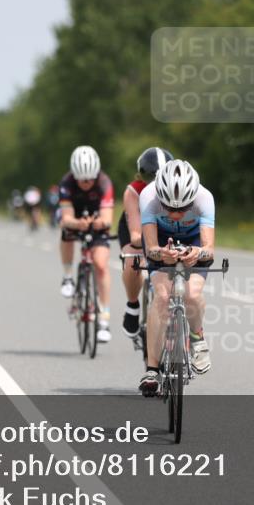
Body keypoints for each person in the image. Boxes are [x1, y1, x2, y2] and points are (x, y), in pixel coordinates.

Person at [138, 159, 214, 396]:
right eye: (170, 209)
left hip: (194, 241)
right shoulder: (149, 197)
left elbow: (209, 248)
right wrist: (162, 254)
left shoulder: (204, 198)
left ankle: (197, 338)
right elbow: (150, 247)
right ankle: (152, 370)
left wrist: (197, 253)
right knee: (161, 296)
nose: (177, 214)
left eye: (183, 208)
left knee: (191, 293)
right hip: (161, 241)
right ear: (160, 197)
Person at [118, 147, 173, 351]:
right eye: (150, 179)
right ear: (142, 177)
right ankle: (133, 305)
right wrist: (150, 246)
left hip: (163, 229)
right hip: (137, 228)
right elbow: (134, 234)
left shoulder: (179, 187)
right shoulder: (133, 191)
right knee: (134, 262)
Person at [58, 145, 114, 343]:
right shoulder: (66, 183)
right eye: (82, 180)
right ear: (75, 176)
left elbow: (107, 218)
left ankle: (104, 319)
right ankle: (67, 277)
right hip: (75, 216)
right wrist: (77, 224)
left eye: (90, 179)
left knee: (100, 265)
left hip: (97, 218)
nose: (86, 183)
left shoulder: (105, 182)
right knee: (66, 231)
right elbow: (66, 217)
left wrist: (99, 223)